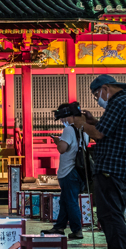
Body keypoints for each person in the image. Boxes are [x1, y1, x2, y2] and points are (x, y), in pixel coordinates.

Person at [78, 75, 126, 249]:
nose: (97, 98)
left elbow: (99, 134)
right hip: (123, 168)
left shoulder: (118, 103)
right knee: (113, 214)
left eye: (96, 94)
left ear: (105, 88)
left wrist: (80, 123)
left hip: (112, 168)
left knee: (111, 216)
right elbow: (111, 131)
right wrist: (93, 122)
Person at [42, 102, 87, 240]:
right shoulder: (84, 130)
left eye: (62, 118)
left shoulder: (69, 130)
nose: (62, 121)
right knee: (65, 200)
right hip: (78, 171)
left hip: (69, 170)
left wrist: (57, 141)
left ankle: (77, 229)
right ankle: (59, 226)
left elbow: (63, 148)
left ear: (68, 116)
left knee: (71, 200)